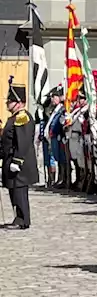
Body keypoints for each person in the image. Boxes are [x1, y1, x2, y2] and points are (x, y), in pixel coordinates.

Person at [1, 83, 36, 229]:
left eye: (10, 101)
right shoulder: (13, 118)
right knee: (13, 190)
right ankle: (18, 217)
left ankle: (23, 219)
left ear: (20, 103)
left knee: (19, 190)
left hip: (19, 161)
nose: (7, 103)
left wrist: (17, 161)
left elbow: (23, 141)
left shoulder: (22, 117)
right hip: (10, 159)